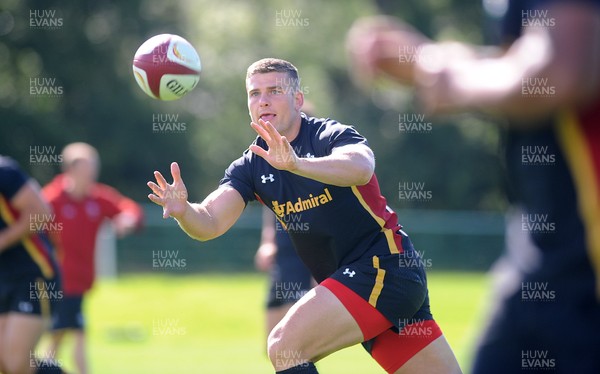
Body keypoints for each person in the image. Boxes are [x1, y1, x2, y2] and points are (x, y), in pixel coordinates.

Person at [148, 58, 462, 374]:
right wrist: (184, 211)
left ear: (298, 100)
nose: (263, 100)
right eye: (254, 93)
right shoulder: (250, 166)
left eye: (274, 90)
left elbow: (361, 167)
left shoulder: (328, 135)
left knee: (285, 347)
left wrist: (297, 164)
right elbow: (211, 222)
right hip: (371, 287)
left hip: (383, 269)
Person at [346, 0, 600, 372]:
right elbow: (530, 61)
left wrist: (449, 79)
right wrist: (428, 61)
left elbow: (560, 71)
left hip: (580, 273)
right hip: (551, 258)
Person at [42, 142, 143, 374]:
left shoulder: (96, 199)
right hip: (57, 282)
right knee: (76, 334)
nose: (91, 175)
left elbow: (128, 208)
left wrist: (127, 220)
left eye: (93, 169)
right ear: (70, 170)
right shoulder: (51, 199)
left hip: (80, 282)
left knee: (58, 338)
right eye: (86, 169)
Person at [254, 101, 316, 339]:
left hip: (305, 255)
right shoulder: (274, 165)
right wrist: (267, 241)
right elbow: (271, 206)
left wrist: (320, 267)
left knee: (293, 340)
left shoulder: (316, 167)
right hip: (282, 252)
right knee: (272, 339)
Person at [0, 155, 65, 374]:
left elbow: (41, 213)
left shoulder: (4, 171)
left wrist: (3, 240)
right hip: (3, 278)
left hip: (32, 274)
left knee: (16, 364)